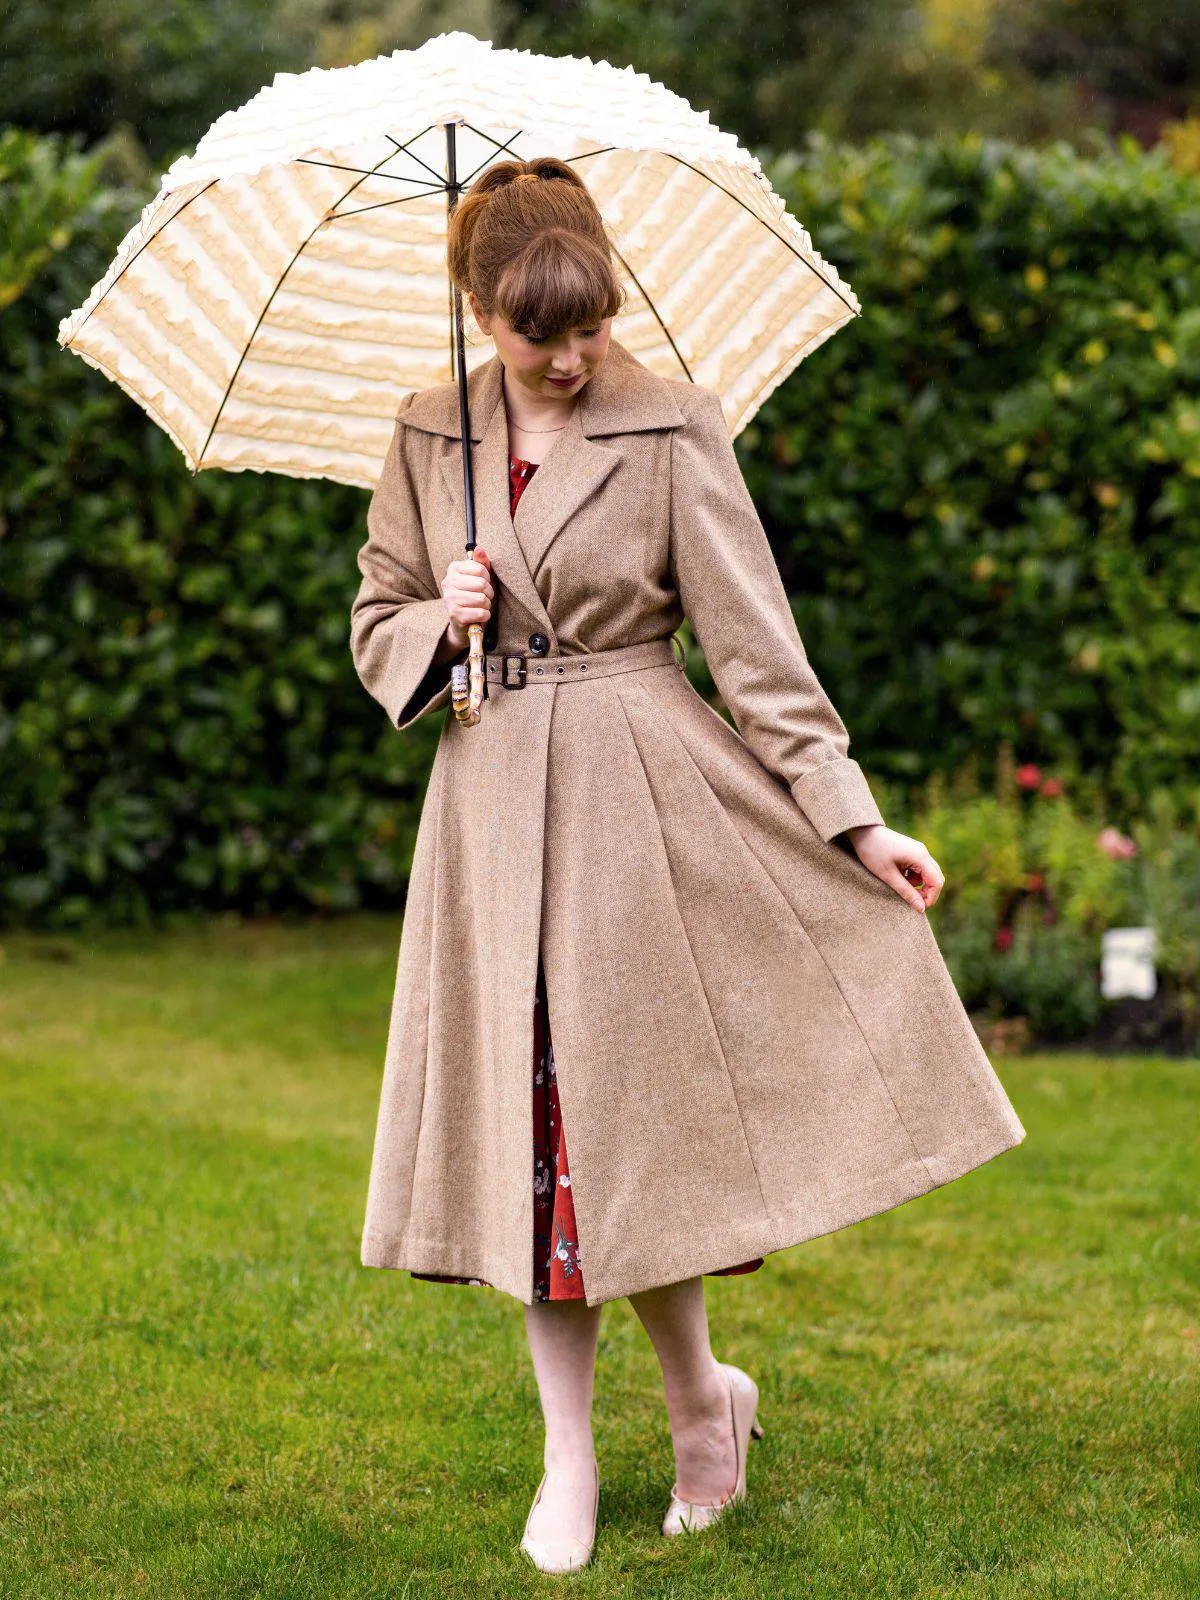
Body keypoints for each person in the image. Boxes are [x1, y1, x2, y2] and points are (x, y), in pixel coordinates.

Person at [349, 157, 1025, 1574]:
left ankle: (699, 1410)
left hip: (639, 808)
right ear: (482, 313)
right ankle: (573, 1457)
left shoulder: (671, 427)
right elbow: (375, 624)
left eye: (589, 320)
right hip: (486, 817)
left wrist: (854, 819)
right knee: (538, 1158)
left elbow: (758, 654)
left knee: (629, 1141)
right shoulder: (427, 435)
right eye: (542, 331)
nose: (574, 352)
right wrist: (438, 616)